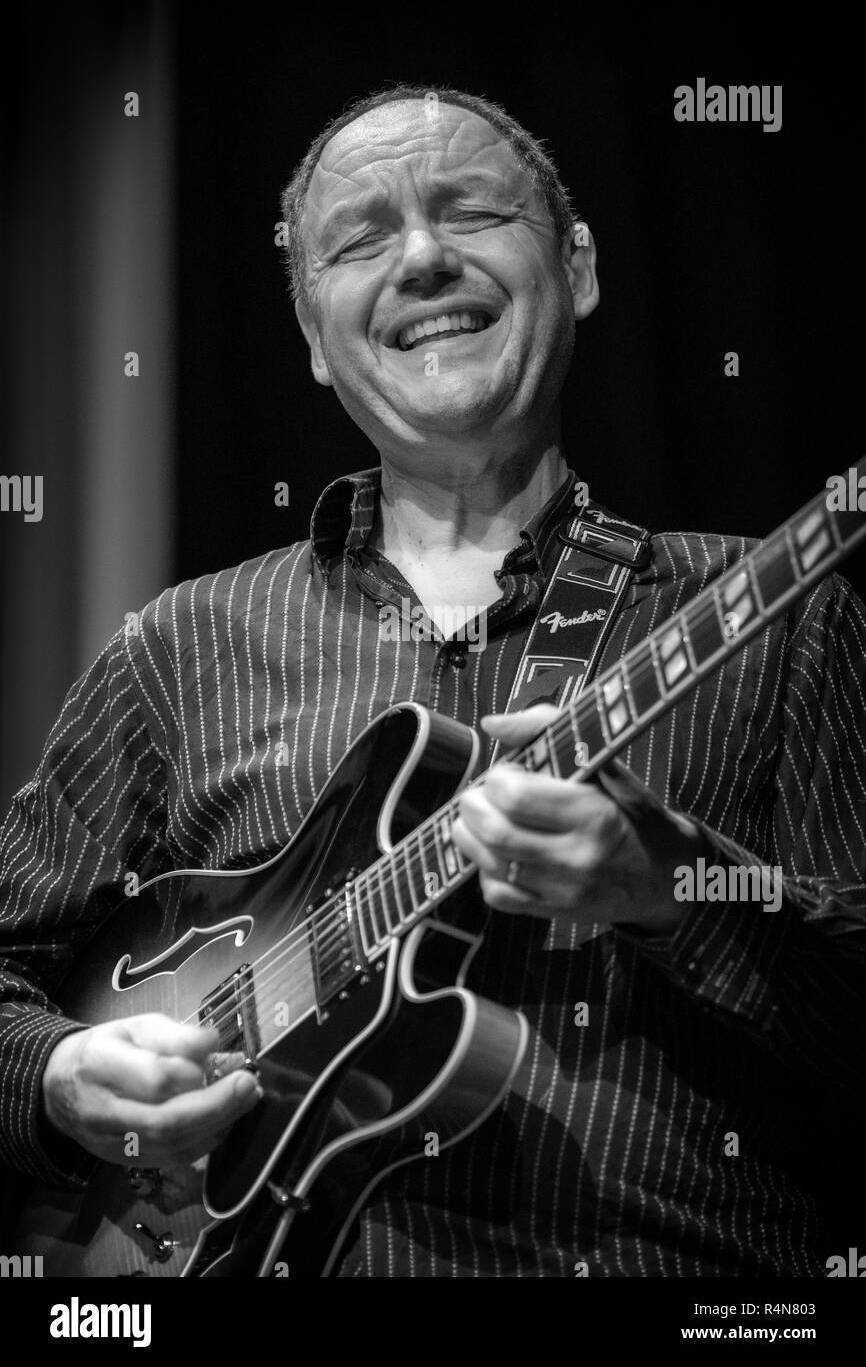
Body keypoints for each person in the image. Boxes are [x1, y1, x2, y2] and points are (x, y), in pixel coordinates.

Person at [1, 84, 864, 1277]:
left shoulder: (776, 617)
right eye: (359, 239)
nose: (418, 257)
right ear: (313, 338)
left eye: (470, 212)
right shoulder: (182, 643)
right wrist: (56, 1081)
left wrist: (676, 889)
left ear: (578, 267)